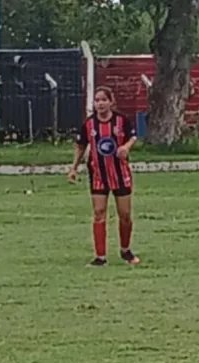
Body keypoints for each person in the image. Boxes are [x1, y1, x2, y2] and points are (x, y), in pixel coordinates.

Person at [68, 86, 140, 266]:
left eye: (103, 100)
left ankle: (125, 250)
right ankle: (100, 257)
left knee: (125, 214)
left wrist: (126, 147)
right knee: (99, 213)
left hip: (120, 174)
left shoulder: (121, 120)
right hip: (98, 175)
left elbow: (133, 136)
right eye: (97, 100)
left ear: (111, 102)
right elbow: (80, 146)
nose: (100, 103)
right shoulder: (89, 124)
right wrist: (73, 168)